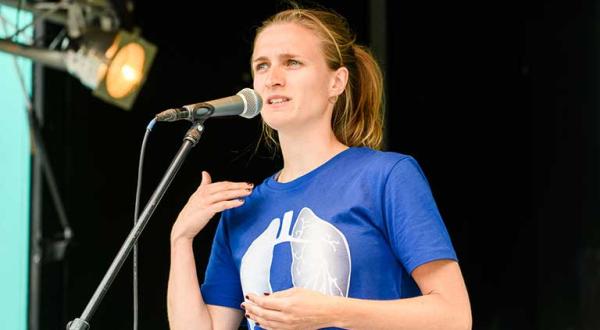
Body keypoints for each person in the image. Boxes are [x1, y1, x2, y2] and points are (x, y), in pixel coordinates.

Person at [167, 6, 472, 330]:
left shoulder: (385, 176)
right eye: (262, 66)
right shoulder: (242, 210)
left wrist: (333, 312)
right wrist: (181, 240)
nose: (273, 79)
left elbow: (454, 316)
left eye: (292, 63)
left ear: (336, 82)